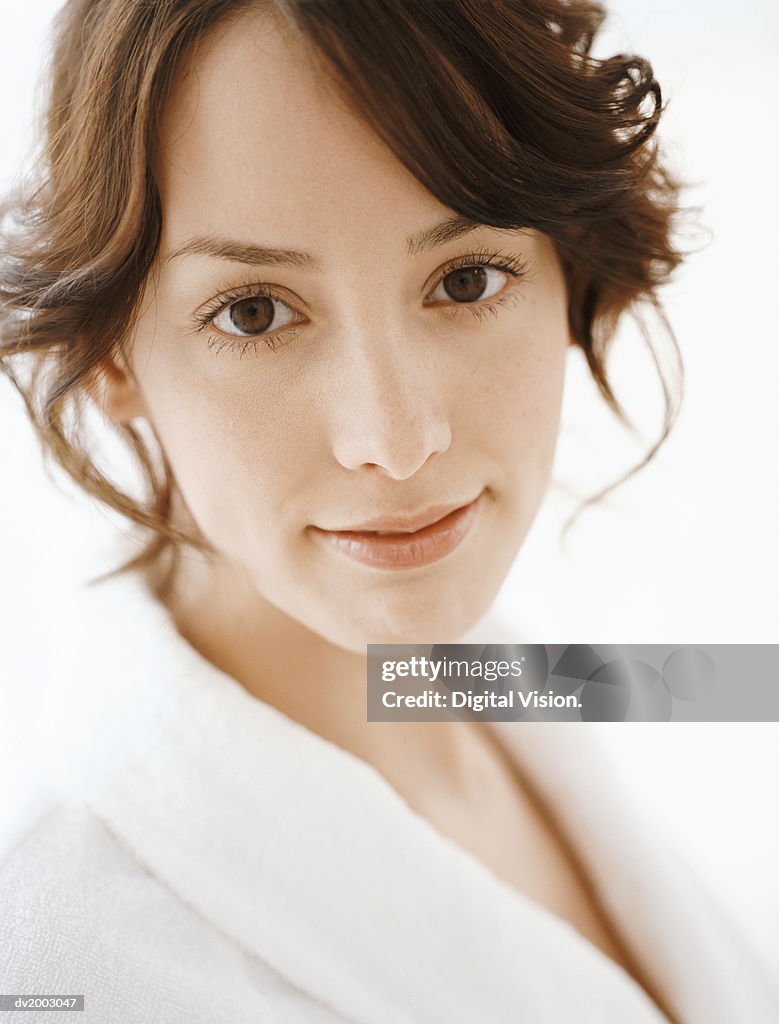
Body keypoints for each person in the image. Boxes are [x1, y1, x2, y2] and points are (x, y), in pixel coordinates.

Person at [0, 1, 775, 1022]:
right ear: (110, 359)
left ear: (565, 268)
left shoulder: (512, 692)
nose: (396, 439)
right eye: (254, 311)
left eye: (464, 279)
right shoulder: (69, 960)